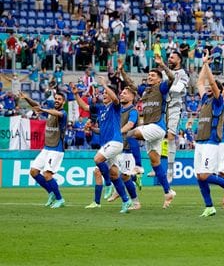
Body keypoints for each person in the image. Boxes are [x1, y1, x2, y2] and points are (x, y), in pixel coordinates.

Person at [122, 55, 176, 208]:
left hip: (157, 126)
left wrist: (162, 65)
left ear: (159, 79)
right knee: (155, 161)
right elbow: (131, 85)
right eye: (148, 75)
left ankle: (138, 166)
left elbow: (172, 78)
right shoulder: (145, 91)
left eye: (153, 75)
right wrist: (122, 72)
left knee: (130, 134)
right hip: (150, 128)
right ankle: (168, 192)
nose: (149, 77)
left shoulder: (162, 87)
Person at [75, 77, 132, 213]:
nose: (105, 95)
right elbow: (84, 107)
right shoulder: (101, 109)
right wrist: (76, 94)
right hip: (107, 144)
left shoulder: (115, 106)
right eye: (104, 93)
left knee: (97, 160)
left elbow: (116, 98)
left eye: (107, 93)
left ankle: (107, 184)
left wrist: (105, 85)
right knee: (114, 174)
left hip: (115, 142)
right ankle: (126, 201)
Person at [194, 50, 224, 217]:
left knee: (206, 174)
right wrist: (203, 64)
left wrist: (208, 66)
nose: (207, 88)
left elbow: (212, 84)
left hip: (212, 141)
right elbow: (200, 82)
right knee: (199, 176)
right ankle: (209, 207)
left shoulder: (218, 102)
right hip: (200, 141)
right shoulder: (204, 99)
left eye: (211, 87)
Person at [20, 92, 67, 208]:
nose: (57, 100)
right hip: (46, 148)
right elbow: (36, 106)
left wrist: (43, 110)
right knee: (34, 172)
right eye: (56, 98)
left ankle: (60, 200)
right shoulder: (50, 110)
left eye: (59, 99)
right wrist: (27, 98)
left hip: (56, 149)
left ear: (63, 102)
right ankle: (51, 193)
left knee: (47, 174)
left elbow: (55, 113)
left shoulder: (63, 113)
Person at [165, 51, 190, 183]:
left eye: (172, 57)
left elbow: (177, 89)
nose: (169, 58)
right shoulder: (164, 72)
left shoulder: (183, 74)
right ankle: (155, 166)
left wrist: (164, 88)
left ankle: (170, 169)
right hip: (162, 107)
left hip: (175, 107)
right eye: (169, 57)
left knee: (170, 136)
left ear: (179, 60)